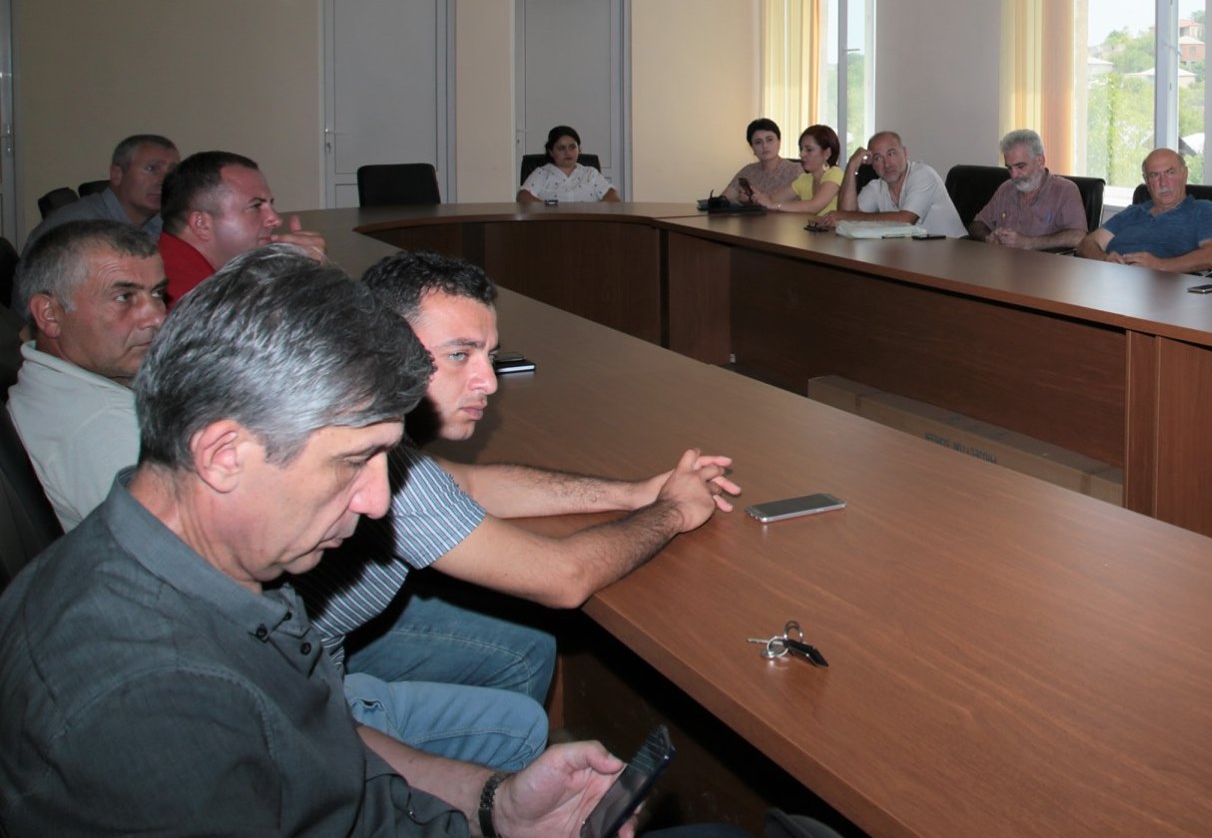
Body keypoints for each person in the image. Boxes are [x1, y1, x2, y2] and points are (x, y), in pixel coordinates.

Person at [0, 247, 748, 837]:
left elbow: (328, 746)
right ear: (224, 454)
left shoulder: (222, 575)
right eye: (353, 463)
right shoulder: (156, 705)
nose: (378, 502)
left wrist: (495, 805)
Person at [295, 250, 741, 767]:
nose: (488, 381)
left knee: (522, 643)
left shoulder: (363, 419)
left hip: (320, 646)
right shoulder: (375, 457)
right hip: (301, 693)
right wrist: (672, 513)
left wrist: (634, 493)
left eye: (489, 355)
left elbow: (471, 484)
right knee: (517, 726)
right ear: (386, 346)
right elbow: (562, 578)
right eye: (459, 355)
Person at [6, 220, 168, 531]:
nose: (157, 317)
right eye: (124, 297)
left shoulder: (49, 383)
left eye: (158, 293)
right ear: (50, 315)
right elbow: (190, 554)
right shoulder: (102, 431)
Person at [157, 149, 326, 304]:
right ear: (202, 224)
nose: (276, 219)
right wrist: (302, 280)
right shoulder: (187, 296)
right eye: (256, 206)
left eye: (271, 204)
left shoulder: (216, 278)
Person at [17, 133, 179, 265]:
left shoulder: (157, 221)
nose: (164, 181)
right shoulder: (82, 229)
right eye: (152, 169)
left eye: (172, 172)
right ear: (117, 175)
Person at [1077, 148, 1212, 273]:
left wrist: (1160, 265)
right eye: (1155, 175)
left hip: (1165, 288)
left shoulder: (1202, 210)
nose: (1163, 183)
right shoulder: (1132, 212)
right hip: (1114, 281)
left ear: (1184, 174)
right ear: (1147, 182)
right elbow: (1087, 243)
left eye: (1170, 172)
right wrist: (1104, 259)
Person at [816, 130, 968, 236]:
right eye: (878, 158)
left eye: (891, 154)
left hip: (954, 252)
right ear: (872, 164)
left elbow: (906, 220)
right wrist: (851, 166)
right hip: (914, 253)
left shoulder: (923, 175)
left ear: (905, 153)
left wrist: (850, 217)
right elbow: (847, 216)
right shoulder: (876, 186)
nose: (887, 164)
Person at [968, 129, 1087, 251]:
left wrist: (1029, 243)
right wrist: (989, 238)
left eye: (1020, 166)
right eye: (1009, 168)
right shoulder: (1006, 188)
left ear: (1040, 161)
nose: (1014, 175)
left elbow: (1079, 237)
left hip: (1043, 262)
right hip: (1003, 260)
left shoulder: (1064, 190)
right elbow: (977, 224)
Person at [517, 125, 619, 204]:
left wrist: (595, 213)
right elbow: (523, 196)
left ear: (579, 149)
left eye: (572, 147)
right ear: (551, 152)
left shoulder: (590, 173)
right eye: (561, 148)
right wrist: (548, 210)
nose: (567, 152)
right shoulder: (542, 173)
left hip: (587, 223)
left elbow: (612, 195)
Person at [757, 123, 843, 214]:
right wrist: (757, 196)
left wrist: (775, 206)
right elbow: (772, 199)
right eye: (801, 149)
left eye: (809, 150)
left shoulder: (835, 173)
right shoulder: (805, 179)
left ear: (827, 153)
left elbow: (814, 206)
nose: (801, 154)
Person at [720, 117, 803, 206]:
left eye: (769, 140)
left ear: (779, 142)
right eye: (758, 142)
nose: (765, 146)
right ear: (752, 147)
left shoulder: (796, 170)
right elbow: (723, 199)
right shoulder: (748, 171)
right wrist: (739, 201)